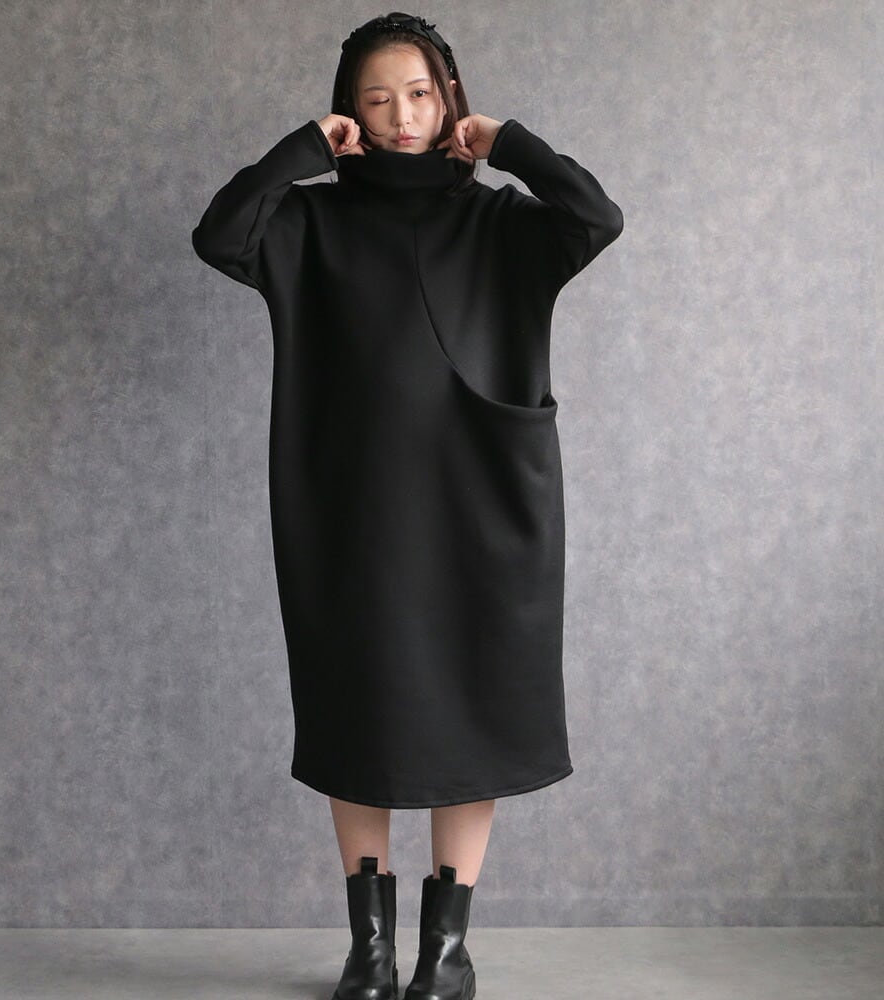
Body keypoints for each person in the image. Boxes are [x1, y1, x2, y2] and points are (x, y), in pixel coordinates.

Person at [192, 11, 623, 1000]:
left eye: (420, 94)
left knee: (476, 705)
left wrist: (506, 142)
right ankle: (371, 950)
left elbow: (595, 217)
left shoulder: (503, 223)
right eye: (377, 98)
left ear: (449, 100)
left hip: (485, 500)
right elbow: (219, 234)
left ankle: (446, 953)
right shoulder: (307, 224)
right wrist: (305, 149)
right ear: (349, 109)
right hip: (350, 506)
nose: (400, 115)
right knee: (361, 711)